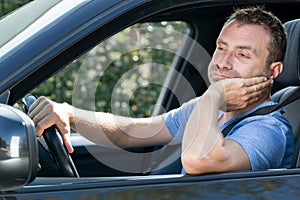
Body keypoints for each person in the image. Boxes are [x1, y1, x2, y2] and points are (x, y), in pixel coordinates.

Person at [28, 7, 295, 175]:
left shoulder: (267, 129)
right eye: (221, 47)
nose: (223, 62)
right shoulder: (212, 112)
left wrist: (213, 96)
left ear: (273, 71)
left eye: (242, 54)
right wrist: (69, 113)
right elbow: (133, 131)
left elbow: (197, 160)